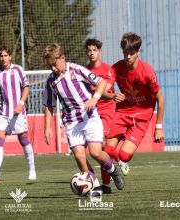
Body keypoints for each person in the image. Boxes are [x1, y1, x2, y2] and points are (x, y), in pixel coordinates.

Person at [43, 43, 124, 192]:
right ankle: (95, 186)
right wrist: (47, 127)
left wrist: (95, 99)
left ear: (62, 58)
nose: (53, 69)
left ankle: (113, 169)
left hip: (90, 118)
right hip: (72, 123)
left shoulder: (76, 69)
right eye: (50, 66)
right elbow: (49, 105)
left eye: (54, 65)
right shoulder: (50, 81)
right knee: (79, 156)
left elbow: (101, 82)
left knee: (95, 152)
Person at [103, 32, 165, 177]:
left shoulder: (147, 72)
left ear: (138, 52)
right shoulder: (117, 68)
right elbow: (104, 90)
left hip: (142, 115)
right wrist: (112, 95)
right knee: (107, 150)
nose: (128, 57)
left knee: (124, 155)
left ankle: (122, 161)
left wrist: (159, 127)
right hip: (122, 112)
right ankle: (108, 183)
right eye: (125, 53)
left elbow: (160, 99)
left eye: (131, 53)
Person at [0, 46, 36, 182]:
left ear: (10, 56)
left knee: (23, 139)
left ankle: (32, 170)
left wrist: (21, 104)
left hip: (18, 112)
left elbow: (26, 87)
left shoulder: (18, 70)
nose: (3, 58)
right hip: (3, 112)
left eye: (5, 55)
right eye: (1, 56)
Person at [85, 38, 115, 194]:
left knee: (102, 145)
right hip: (90, 112)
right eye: (89, 50)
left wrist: (93, 88)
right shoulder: (84, 70)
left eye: (94, 50)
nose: (91, 53)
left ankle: (106, 182)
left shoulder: (108, 70)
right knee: (84, 150)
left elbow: (107, 92)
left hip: (107, 111)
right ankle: (102, 178)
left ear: (99, 52)